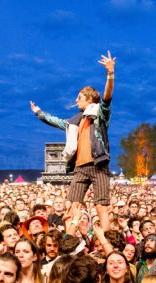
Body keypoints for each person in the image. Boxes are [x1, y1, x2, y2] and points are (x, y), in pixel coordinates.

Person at [30, 51, 117, 233]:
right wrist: (39, 113)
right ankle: (69, 240)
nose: (76, 100)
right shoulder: (74, 122)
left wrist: (110, 73)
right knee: (72, 205)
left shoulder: (100, 114)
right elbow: (56, 121)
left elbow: (107, 98)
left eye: (79, 97)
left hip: (98, 164)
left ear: (90, 99)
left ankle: (107, 241)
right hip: (79, 167)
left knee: (101, 206)